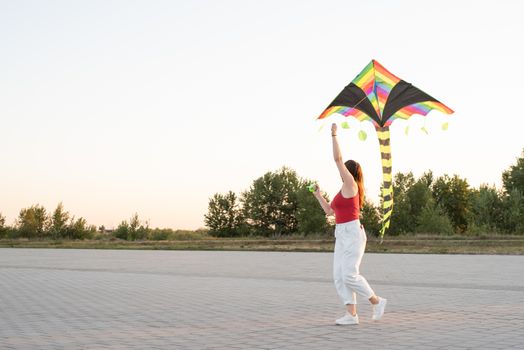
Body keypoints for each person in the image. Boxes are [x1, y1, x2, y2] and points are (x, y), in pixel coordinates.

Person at [312, 123, 387, 325]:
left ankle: (377, 301)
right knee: (339, 276)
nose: (341, 171)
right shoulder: (342, 191)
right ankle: (351, 315)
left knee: (349, 275)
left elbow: (337, 159)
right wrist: (318, 195)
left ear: (349, 172)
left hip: (353, 233)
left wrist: (334, 134)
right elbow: (329, 211)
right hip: (341, 233)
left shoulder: (351, 185)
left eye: (345, 170)